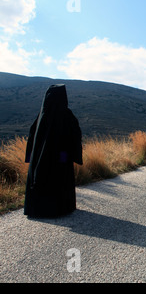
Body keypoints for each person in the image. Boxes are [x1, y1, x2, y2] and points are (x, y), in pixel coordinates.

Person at [24, 84, 83, 218]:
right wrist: (74, 154)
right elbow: (75, 134)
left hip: (39, 157)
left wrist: (31, 156)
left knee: (40, 176)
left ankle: (37, 208)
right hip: (62, 155)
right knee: (61, 177)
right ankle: (60, 208)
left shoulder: (42, 114)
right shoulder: (66, 114)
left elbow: (32, 136)